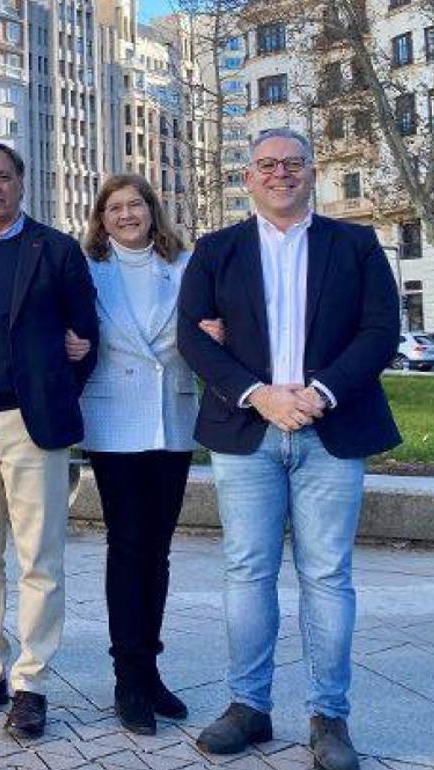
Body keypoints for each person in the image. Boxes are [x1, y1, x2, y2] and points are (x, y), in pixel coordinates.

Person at [177, 128, 400, 770]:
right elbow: (193, 338)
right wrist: (259, 394)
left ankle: (329, 716)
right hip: (248, 432)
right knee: (247, 570)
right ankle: (248, 706)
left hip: (332, 429)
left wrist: (320, 392)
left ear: (312, 171)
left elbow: (381, 328)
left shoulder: (354, 244)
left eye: (293, 163)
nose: (280, 174)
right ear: (247, 176)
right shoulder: (217, 250)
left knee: (328, 574)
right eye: (266, 165)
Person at [0, 142, 98, 741]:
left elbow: (87, 336)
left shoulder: (56, 251)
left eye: (3, 177)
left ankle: (31, 682)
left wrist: (55, 387)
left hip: (33, 427)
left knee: (39, 559)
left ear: (21, 183)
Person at [68, 173, 222, 734]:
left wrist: (217, 331)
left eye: (136, 205)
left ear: (153, 211)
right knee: (127, 546)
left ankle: (150, 670)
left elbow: (206, 327)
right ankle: (127, 676)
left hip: (171, 418)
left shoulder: (184, 265)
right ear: (101, 218)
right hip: (114, 420)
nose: (128, 215)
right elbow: (65, 321)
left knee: (157, 550)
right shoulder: (88, 270)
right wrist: (69, 339)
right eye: (115, 208)